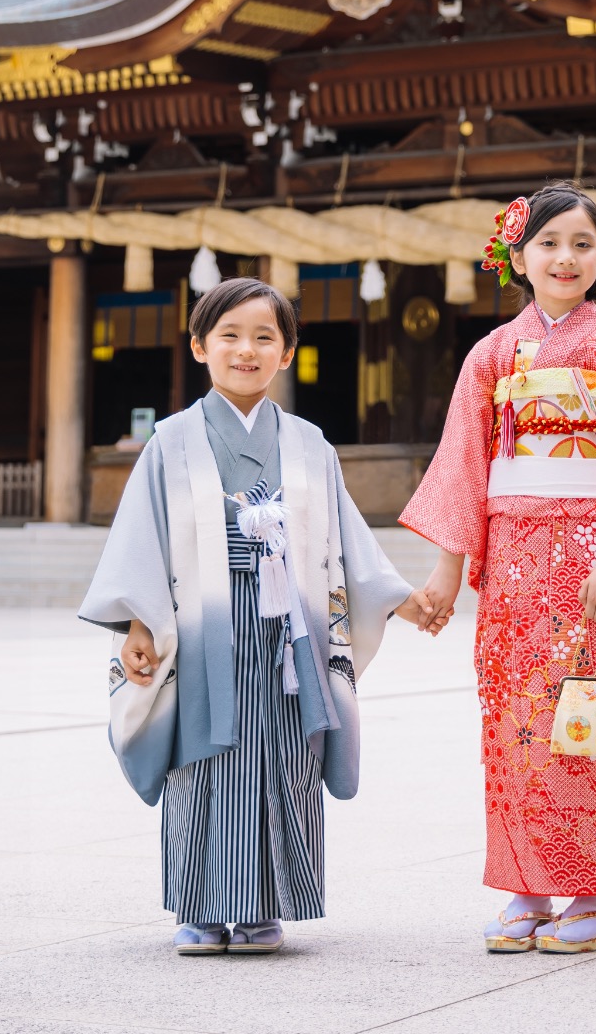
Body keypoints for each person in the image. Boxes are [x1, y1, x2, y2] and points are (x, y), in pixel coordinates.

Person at [79, 277, 440, 955]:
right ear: (199, 347)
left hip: (289, 630)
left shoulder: (310, 445)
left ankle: (262, 905)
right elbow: (143, 539)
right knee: (202, 757)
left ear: (286, 352)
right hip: (201, 626)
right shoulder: (171, 442)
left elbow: (346, 538)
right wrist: (135, 623)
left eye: (264, 338)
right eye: (230, 336)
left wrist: (400, 598)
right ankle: (200, 907)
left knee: (283, 752)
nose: (246, 349)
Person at [401, 182, 596, 954]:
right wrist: (445, 575)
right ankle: (526, 887)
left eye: (583, 245)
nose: (565, 257)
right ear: (518, 257)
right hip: (516, 564)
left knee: (588, 721)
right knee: (514, 726)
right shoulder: (491, 356)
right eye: (550, 243)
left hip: (594, 560)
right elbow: (464, 465)